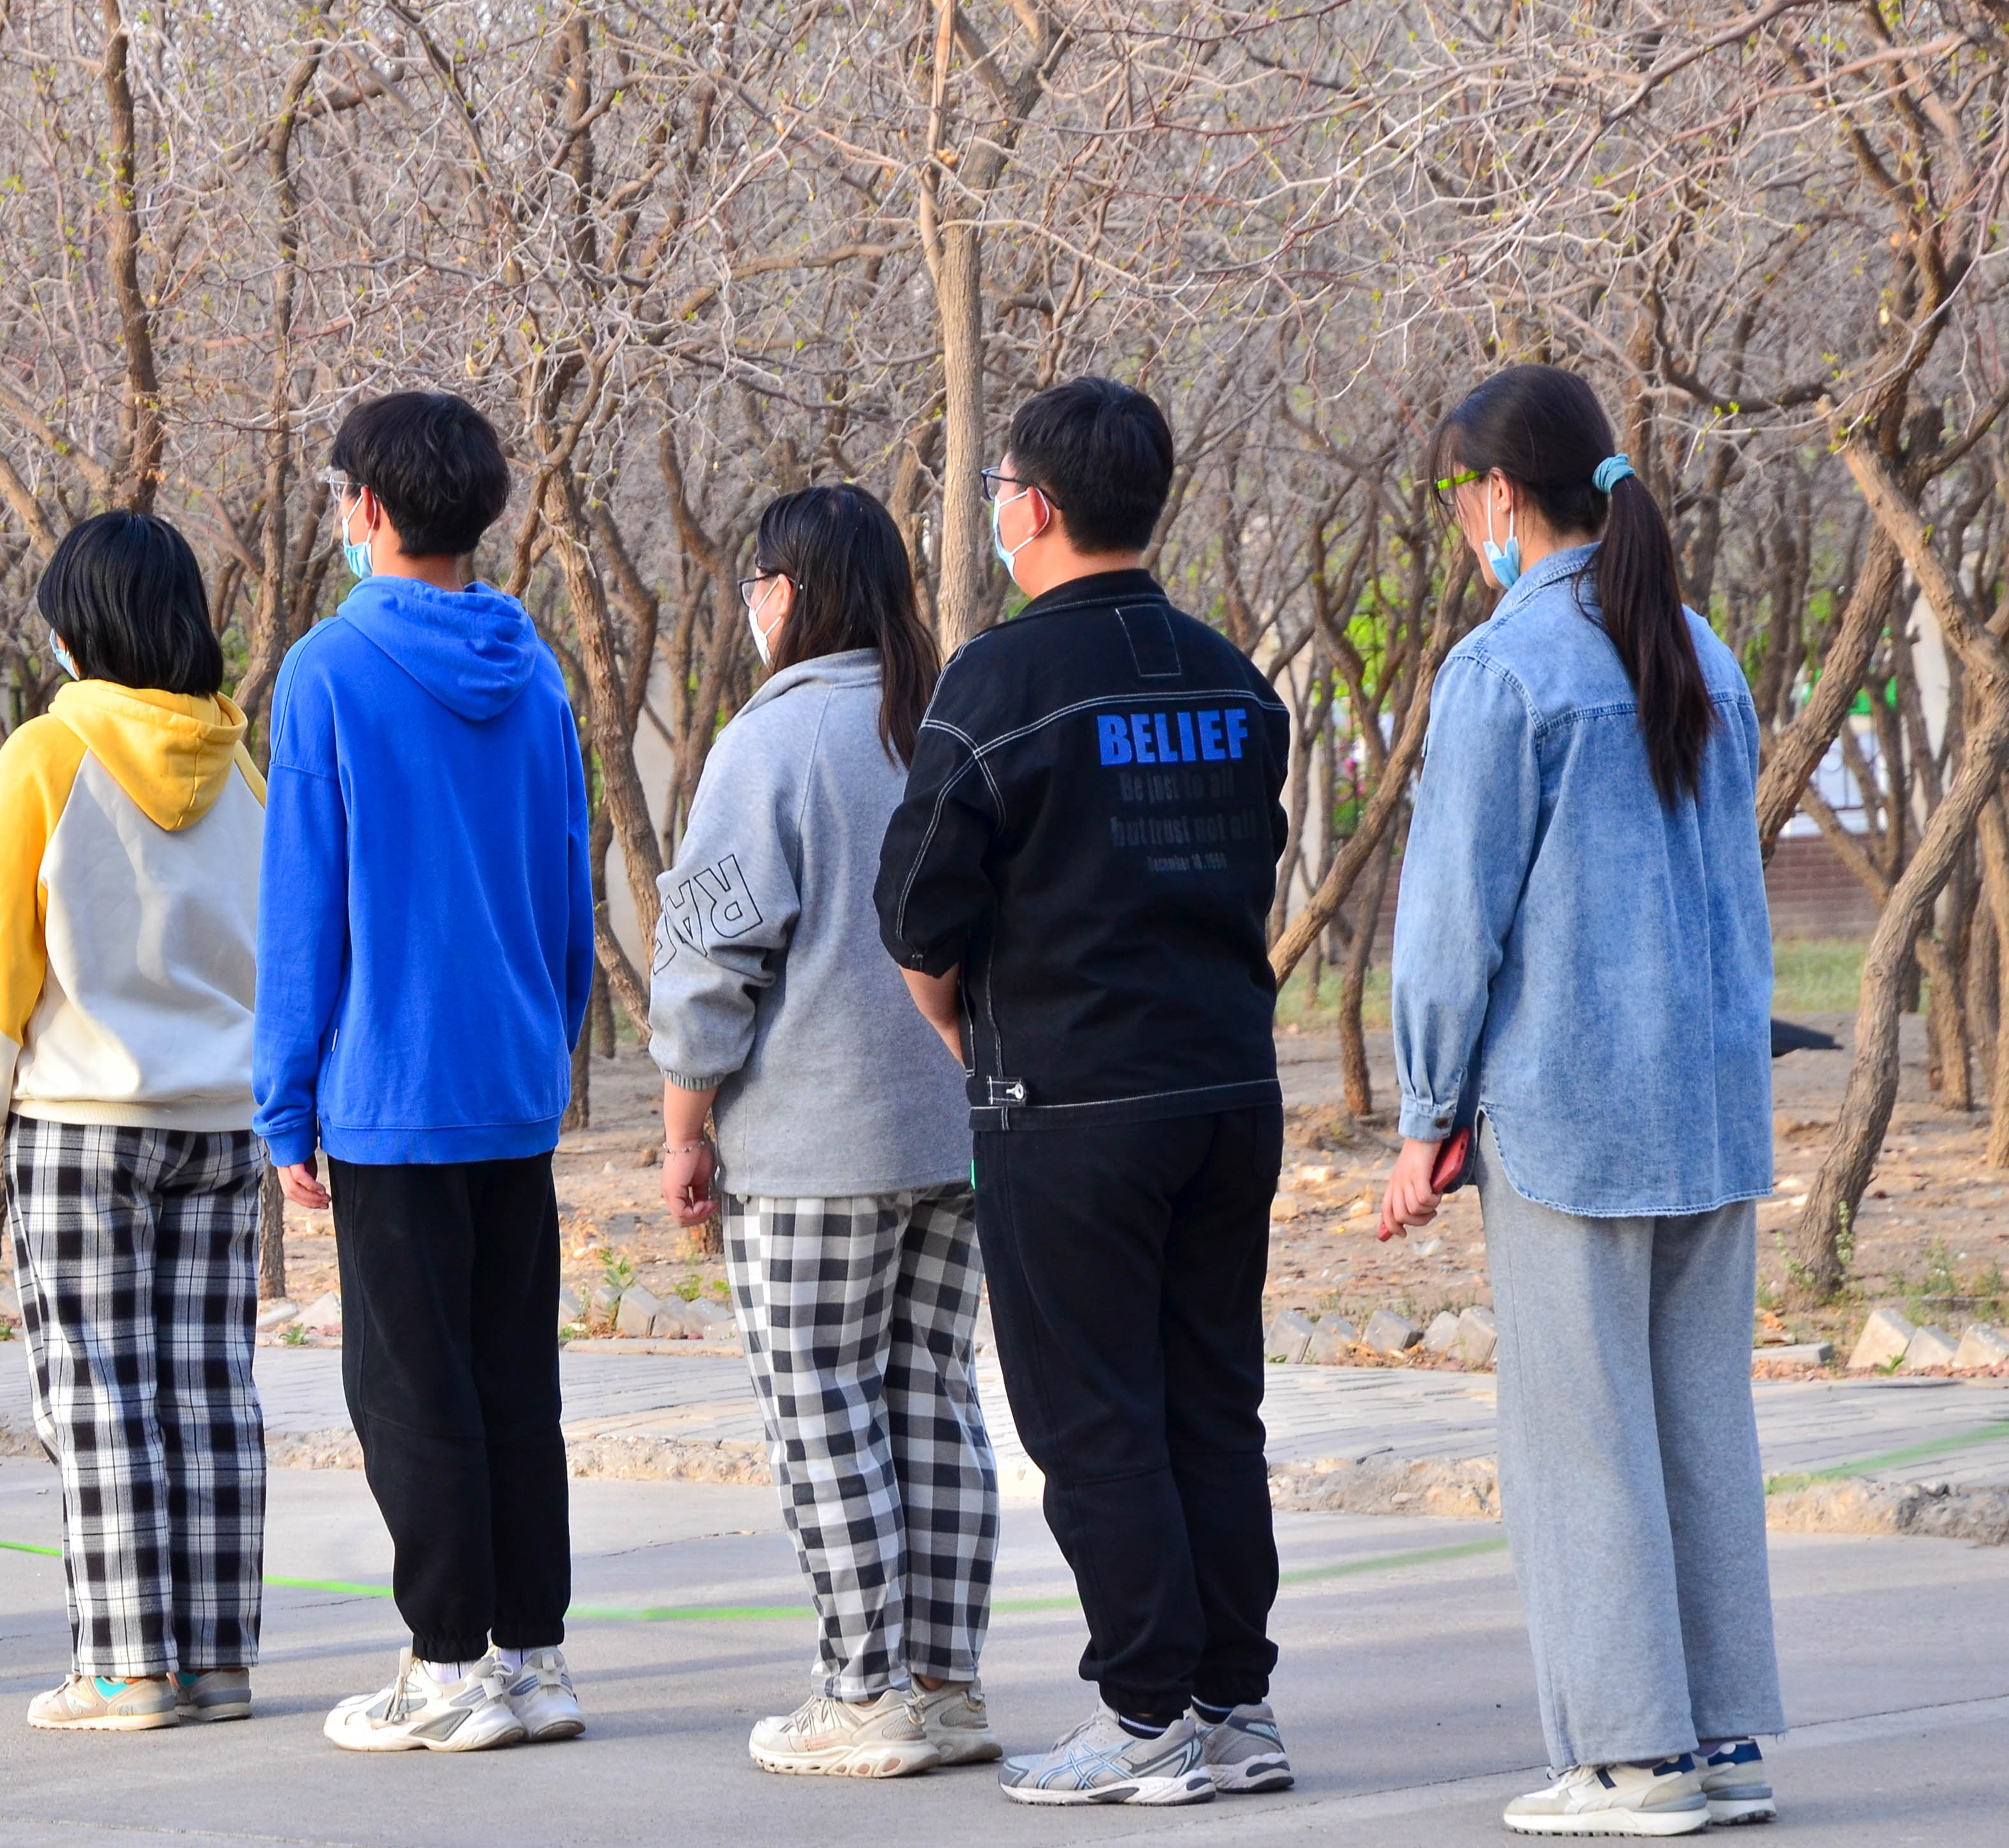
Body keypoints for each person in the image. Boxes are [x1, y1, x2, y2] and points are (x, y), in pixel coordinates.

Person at [874, 377, 1294, 1807]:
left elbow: (917, 912)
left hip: (1067, 1105)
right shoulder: (1228, 676)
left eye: (998, 487)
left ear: (1035, 506)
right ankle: (1232, 1704)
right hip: (1226, 1090)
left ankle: (1142, 1712)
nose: (996, 508)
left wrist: (962, 1031)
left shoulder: (997, 682)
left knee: (1091, 1416)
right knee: (1211, 1400)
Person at [1381, 364, 1781, 1837]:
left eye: (1458, 496)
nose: (1461, 523)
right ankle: (1714, 1740)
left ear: (1496, 495)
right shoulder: (1701, 648)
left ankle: (1628, 1759)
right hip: (1710, 1105)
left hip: (1568, 1111)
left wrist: (1423, 1113)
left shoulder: (1502, 672)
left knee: (1582, 1441)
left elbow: (1450, 924)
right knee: (1695, 1425)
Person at [254, 390, 596, 1753]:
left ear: (371, 507)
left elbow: (303, 906)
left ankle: (447, 1664)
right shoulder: (536, 669)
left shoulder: (326, 673)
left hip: (390, 1092)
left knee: (408, 1391)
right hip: (510, 1080)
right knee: (515, 1382)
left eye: (341, 491)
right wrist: (546, 1044)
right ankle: (533, 1659)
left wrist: (285, 1097)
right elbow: (568, 888)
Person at [650, 484, 996, 1779]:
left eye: (757, 581)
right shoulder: (944, 718)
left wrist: (684, 1127)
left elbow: (708, 962)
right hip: (952, 1131)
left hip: (810, 1147)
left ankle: (860, 1693)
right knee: (933, 1398)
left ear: (786, 593)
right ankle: (944, 1684)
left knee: (822, 1410)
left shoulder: (770, 741)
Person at [0, 511, 271, 1732]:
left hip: (82, 1126)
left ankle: (125, 1667)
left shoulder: (45, 752)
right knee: (211, 1392)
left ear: (76, 632)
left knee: (97, 1393)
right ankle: (216, 1660)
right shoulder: (239, 767)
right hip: (224, 1122)